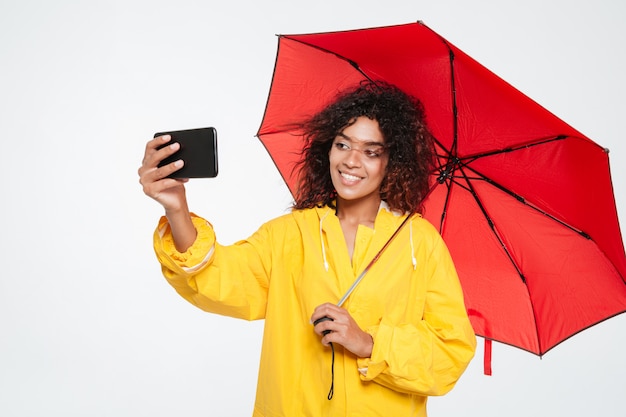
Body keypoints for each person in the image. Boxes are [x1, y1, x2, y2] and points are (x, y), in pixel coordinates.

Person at [139, 80, 476, 416]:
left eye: (372, 152)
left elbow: (450, 351)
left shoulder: (420, 242)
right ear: (328, 149)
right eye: (343, 145)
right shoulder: (289, 234)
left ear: (393, 163)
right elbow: (216, 278)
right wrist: (177, 209)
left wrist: (369, 343)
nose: (352, 162)